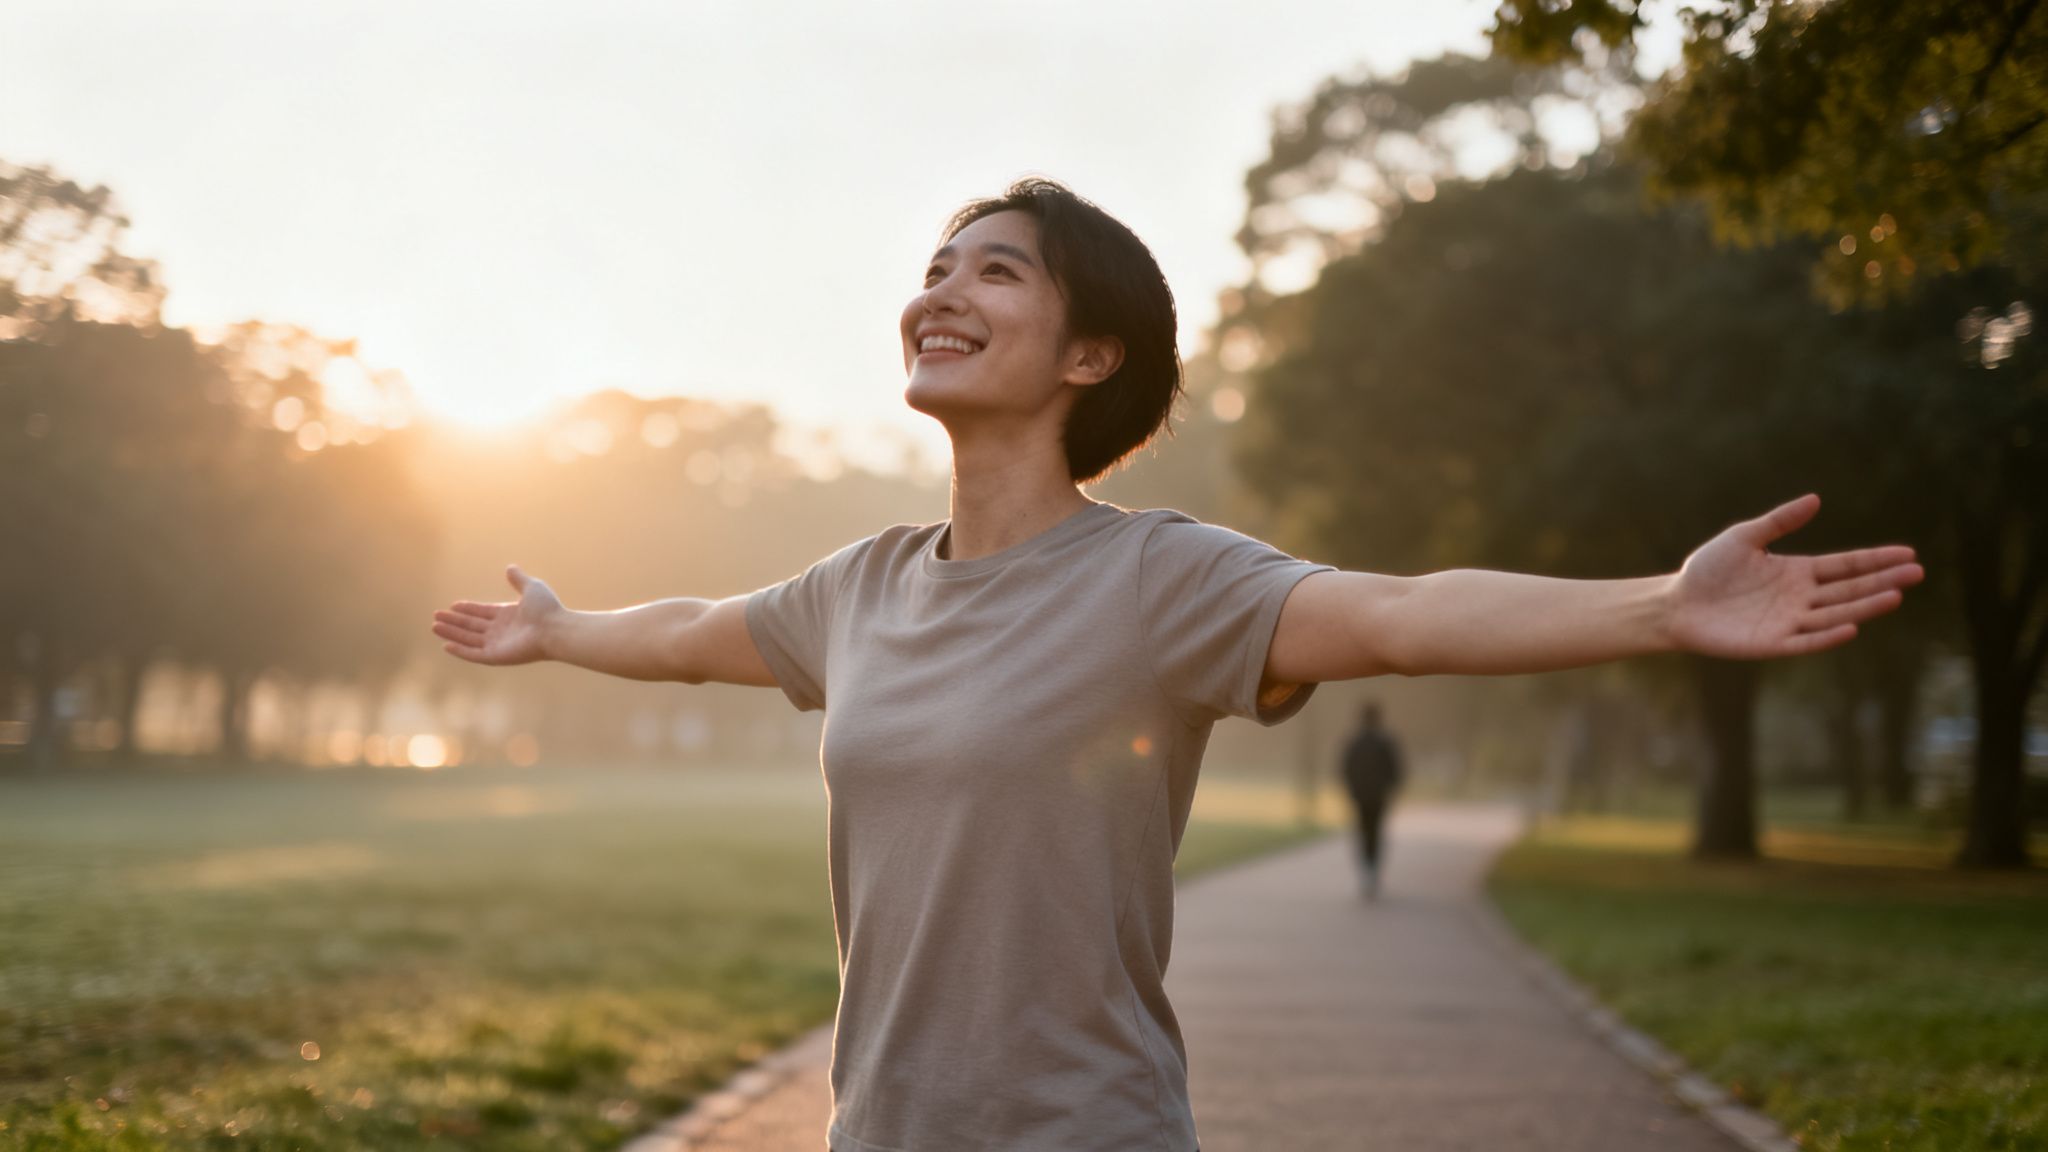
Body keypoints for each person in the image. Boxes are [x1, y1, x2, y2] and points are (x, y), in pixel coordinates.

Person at [430, 177, 1924, 1152]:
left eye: (995, 274)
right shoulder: (862, 588)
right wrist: (560, 631)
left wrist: (1660, 606)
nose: (940, 290)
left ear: (1090, 356)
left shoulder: (1161, 579)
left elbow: (1400, 611)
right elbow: (695, 637)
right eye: (936, 268)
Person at [1340, 702, 1404, 901]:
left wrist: (1351, 790)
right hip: (1378, 797)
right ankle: (1372, 872)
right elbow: (1396, 771)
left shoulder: (1353, 742)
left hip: (1360, 797)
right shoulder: (1386, 742)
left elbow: (1345, 769)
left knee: (1362, 833)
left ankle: (1366, 872)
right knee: (1375, 834)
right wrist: (1389, 789)